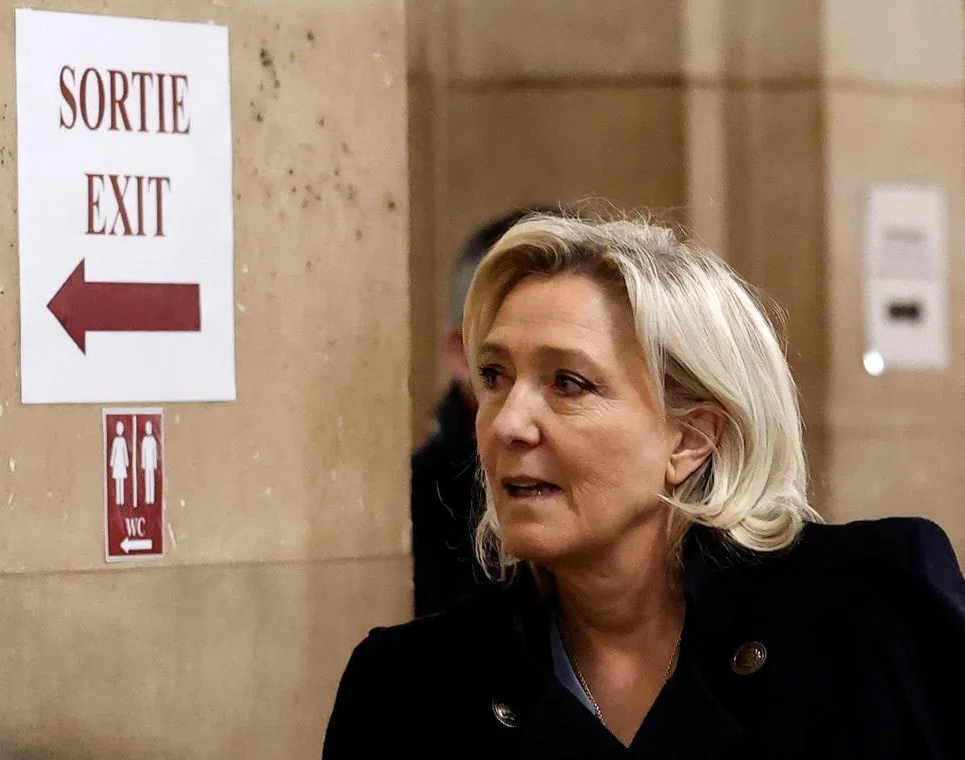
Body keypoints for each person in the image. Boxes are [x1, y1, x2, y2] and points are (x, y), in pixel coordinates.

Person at [325, 211, 965, 757]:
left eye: (568, 384)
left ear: (690, 439)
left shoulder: (874, 613)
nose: (507, 424)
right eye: (494, 376)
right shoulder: (406, 689)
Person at [412, 207, 556, 617]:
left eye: (567, 380)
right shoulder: (416, 506)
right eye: (495, 372)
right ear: (461, 355)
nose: (516, 424)